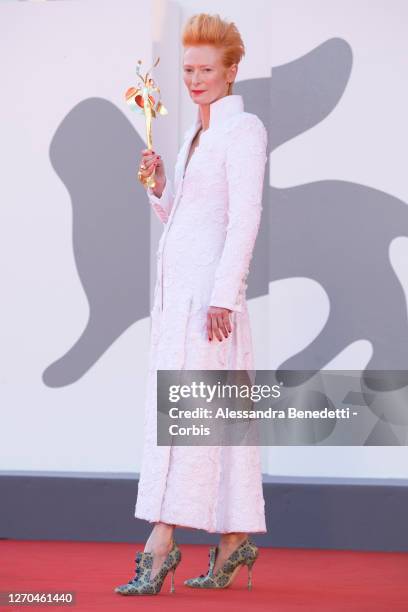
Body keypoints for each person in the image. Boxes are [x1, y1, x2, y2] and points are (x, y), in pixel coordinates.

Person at [115, 13, 268, 596]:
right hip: (179, 297)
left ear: (231, 71)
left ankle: (160, 543)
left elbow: (244, 219)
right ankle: (233, 541)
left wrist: (225, 296)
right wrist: (160, 189)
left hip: (210, 303)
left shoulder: (243, 130)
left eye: (206, 69)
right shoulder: (190, 136)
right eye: (188, 69)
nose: (195, 79)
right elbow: (188, 218)